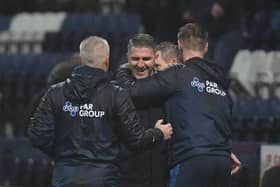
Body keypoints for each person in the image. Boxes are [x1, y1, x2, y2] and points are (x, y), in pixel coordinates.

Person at [27, 36, 173, 187]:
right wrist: (158, 133)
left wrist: (64, 155)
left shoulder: (54, 93)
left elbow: (37, 135)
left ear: (82, 60)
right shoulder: (115, 95)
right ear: (107, 60)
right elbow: (135, 139)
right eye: (136, 58)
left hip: (65, 176)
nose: (141, 64)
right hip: (104, 178)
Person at [115, 23, 241, 187]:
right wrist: (222, 151)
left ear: (179, 45)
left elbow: (133, 91)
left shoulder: (178, 74)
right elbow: (219, 117)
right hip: (223, 161)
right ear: (207, 46)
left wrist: (123, 70)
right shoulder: (219, 81)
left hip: (190, 161)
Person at [115, 34, 169, 187]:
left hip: (161, 176)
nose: (140, 65)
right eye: (135, 59)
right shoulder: (115, 91)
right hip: (126, 177)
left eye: (146, 59)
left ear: (156, 57)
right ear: (127, 58)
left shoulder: (171, 89)